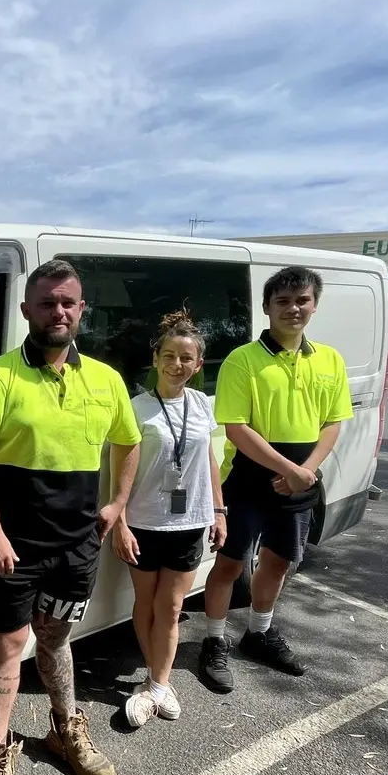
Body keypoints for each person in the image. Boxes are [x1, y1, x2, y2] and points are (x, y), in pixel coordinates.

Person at [0, 258, 141, 775]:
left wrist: (118, 505)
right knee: (9, 644)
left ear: (81, 310)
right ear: (27, 310)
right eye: (47, 302)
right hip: (11, 547)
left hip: (75, 545)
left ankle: (64, 732)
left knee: (56, 635)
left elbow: (128, 442)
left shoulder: (105, 379)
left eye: (69, 302)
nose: (59, 312)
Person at [197, 266, 354, 693]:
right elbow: (235, 427)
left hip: (301, 478)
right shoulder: (243, 360)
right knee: (230, 563)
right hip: (248, 478)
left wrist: (307, 472)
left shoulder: (329, 359)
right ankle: (213, 640)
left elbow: (334, 422)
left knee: (280, 561)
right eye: (282, 301)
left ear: (314, 305)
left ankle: (258, 634)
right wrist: (292, 471)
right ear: (267, 308)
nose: (293, 309)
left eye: (301, 300)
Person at [110, 310, 227, 727]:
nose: (177, 365)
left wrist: (218, 510)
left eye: (187, 358)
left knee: (172, 606)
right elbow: (118, 468)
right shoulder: (136, 408)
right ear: (155, 357)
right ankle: (156, 678)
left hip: (190, 521)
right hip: (143, 520)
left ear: (198, 365)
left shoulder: (202, 406)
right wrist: (119, 522)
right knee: (148, 603)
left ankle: (158, 684)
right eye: (170, 356)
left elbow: (208, 459)